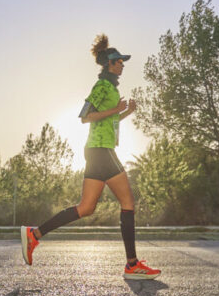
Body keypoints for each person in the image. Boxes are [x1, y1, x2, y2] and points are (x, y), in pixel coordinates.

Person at [20, 35, 161, 280]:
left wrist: (124, 112)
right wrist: (116, 109)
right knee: (128, 202)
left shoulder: (111, 89)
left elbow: (109, 121)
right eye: (119, 61)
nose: (122, 65)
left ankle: (34, 235)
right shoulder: (102, 87)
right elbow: (85, 116)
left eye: (122, 62)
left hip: (99, 150)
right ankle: (132, 265)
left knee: (85, 208)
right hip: (101, 150)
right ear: (109, 63)